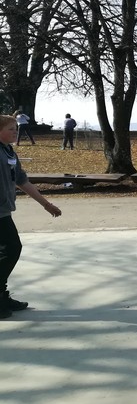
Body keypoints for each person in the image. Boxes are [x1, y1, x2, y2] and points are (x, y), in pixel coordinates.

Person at [0, 115, 62, 319]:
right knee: (12, 249)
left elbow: (22, 181)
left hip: (4, 210)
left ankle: (2, 296)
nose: (15, 132)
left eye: (16, 128)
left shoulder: (9, 152)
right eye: (11, 129)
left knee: (8, 251)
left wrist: (46, 204)